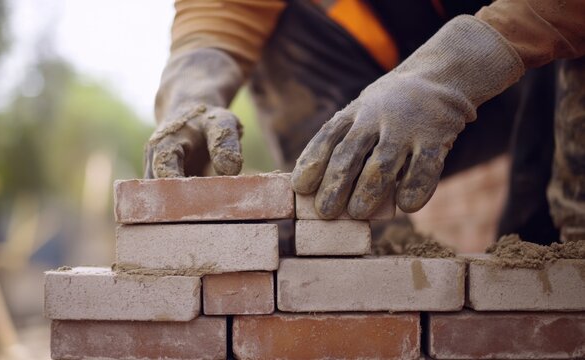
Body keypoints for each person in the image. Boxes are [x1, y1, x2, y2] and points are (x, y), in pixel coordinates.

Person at [144, 0, 585, 244]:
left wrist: (454, 71)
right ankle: (351, 229)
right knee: (286, 25)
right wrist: (192, 92)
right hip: (379, 110)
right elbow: (226, 8)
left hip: (522, 72)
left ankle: (559, 252)